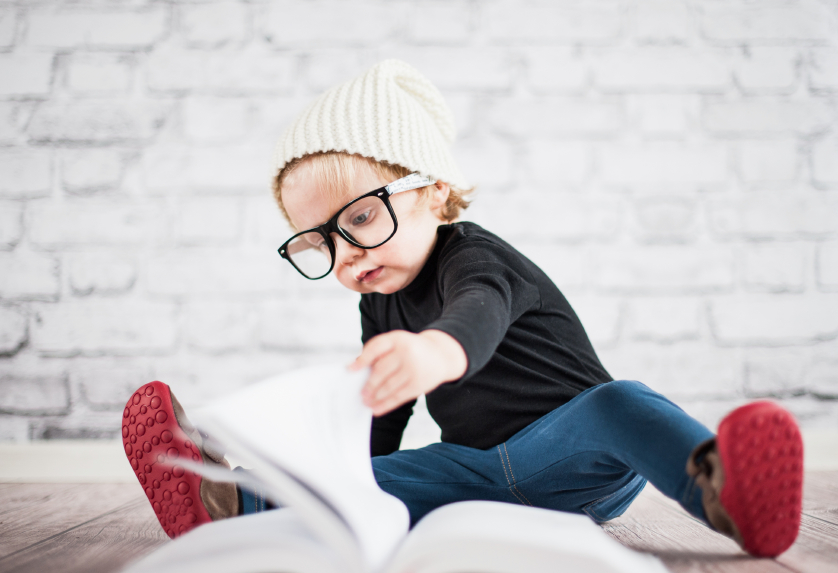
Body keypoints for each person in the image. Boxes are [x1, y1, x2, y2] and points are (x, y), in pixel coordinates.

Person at [122, 59, 804, 557]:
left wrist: (434, 352)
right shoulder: (379, 296)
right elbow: (384, 415)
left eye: (361, 215)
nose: (349, 252)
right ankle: (227, 496)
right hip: (476, 466)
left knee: (619, 400)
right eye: (322, 240)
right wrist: (350, 468)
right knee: (381, 470)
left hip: (575, 454)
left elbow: (477, 312)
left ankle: (729, 497)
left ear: (433, 191)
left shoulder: (473, 257)